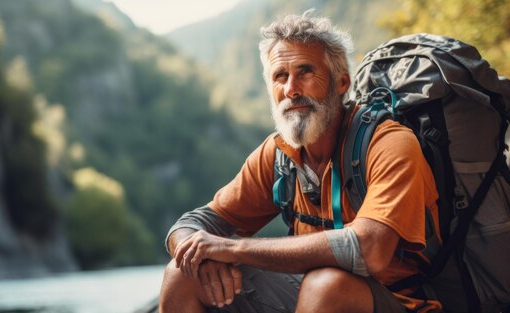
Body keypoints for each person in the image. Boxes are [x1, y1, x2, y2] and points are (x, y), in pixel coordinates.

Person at [159, 11, 441, 313]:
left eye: (305, 72)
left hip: (398, 303)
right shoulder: (279, 154)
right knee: (182, 274)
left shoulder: (388, 143)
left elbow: (369, 250)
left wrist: (231, 248)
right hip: (312, 296)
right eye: (280, 76)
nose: (291, 89)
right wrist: (197, 253)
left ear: (341, 82)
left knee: (327, 286)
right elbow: (193, 223)